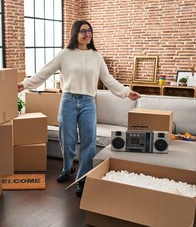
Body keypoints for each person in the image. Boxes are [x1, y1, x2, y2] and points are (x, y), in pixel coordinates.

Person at [18, 20, 140, 197]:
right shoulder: (64, 54)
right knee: (67, 139)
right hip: (68, 100)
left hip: (88, 102)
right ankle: (68, 168)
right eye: (83, 31)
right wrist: (25, 84)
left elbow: (108, 79)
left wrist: (126, 92)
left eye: (90, 30)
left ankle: (82, 178)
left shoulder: (97, 57)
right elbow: (44, 72)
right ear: (75, 33)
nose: (87, 34)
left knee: (88, 141)